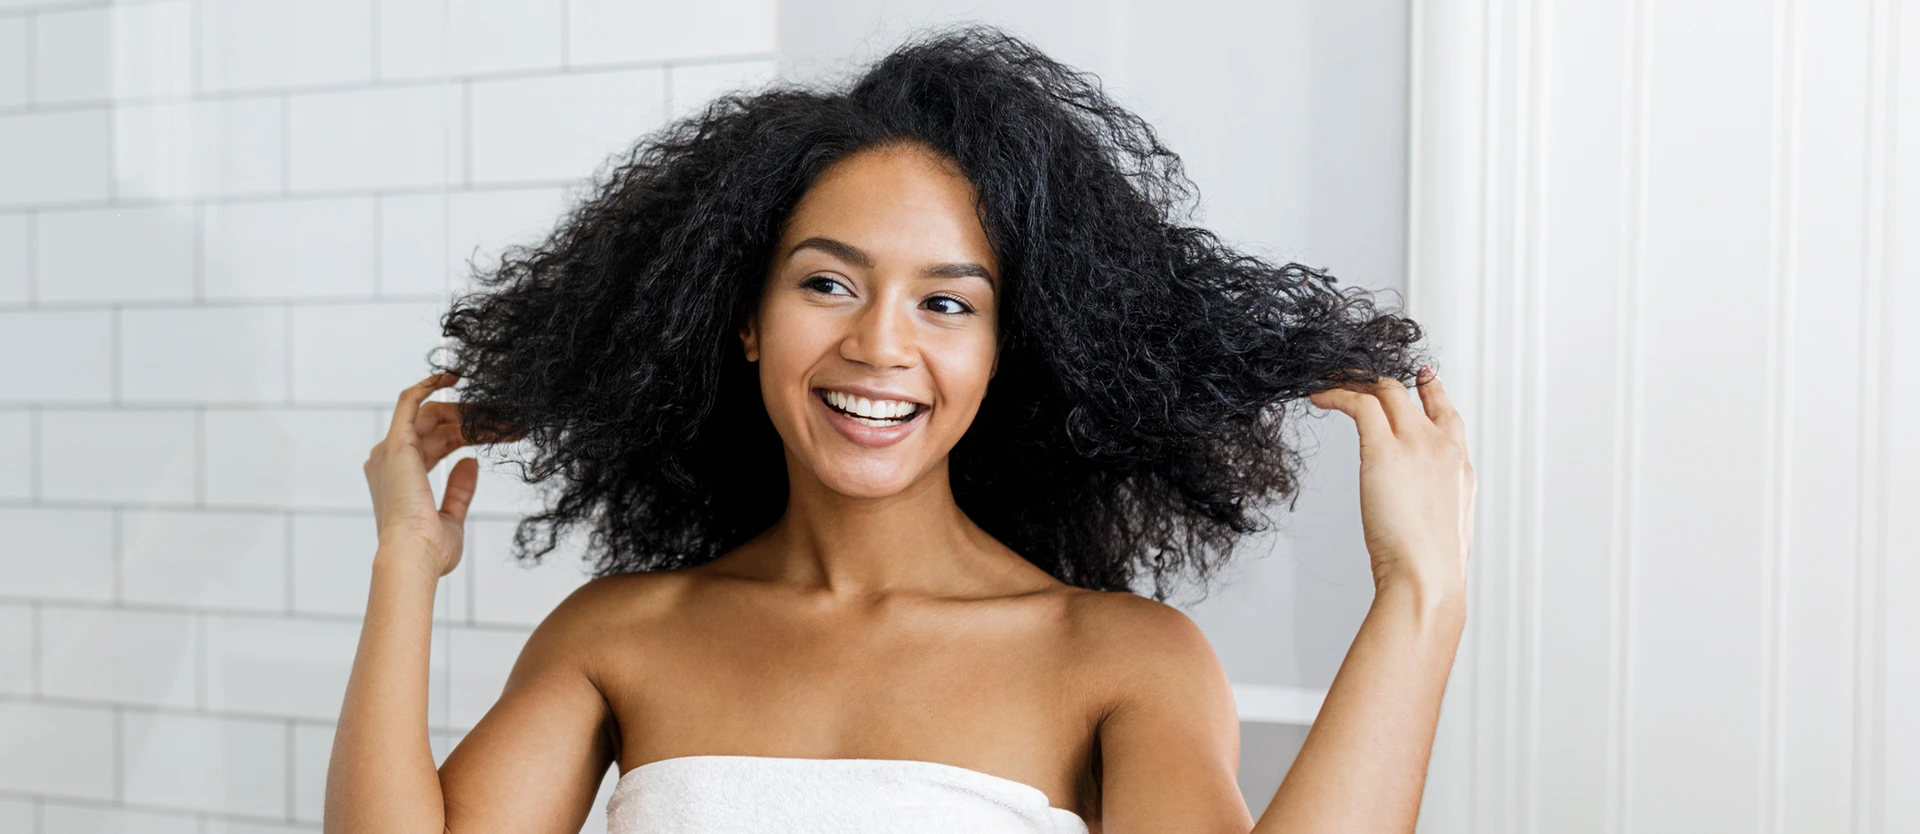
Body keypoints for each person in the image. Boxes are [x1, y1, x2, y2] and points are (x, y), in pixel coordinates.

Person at [326, 24, 1475, 834]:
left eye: (947, 303)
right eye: (828, 284)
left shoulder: (1114, 658)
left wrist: (1420, 595)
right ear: (741, 320)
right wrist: (404, 565)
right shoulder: (623, 635)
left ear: (1004, 351)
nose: (881, 346)